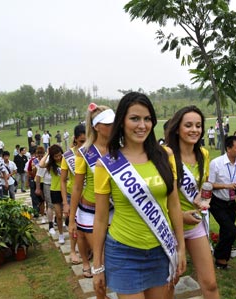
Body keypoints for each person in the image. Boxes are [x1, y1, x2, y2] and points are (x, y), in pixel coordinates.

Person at [92, 92, 186, 298]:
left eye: (147, 119)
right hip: (124, 252)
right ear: (122, 122)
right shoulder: (106, 165)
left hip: (161, 250)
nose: (142, 125)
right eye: (134, 118)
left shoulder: (166, 156)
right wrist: (97, 266)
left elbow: (174, 205)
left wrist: (181, 248)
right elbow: (99, 219)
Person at [166, 106, 219, 298]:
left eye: (198, 125)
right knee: (171, 282)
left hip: (195, 225)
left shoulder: (203, 154)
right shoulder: (165, 155)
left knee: (210, 283)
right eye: (188, 125)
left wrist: (202, 199)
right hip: (169, 227)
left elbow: (203, 186)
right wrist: (180, 216)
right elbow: (159, 197)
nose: (194, 130)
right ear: (177, 128)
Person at [68, 103, 115, 282]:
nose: (113, 126)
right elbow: (77, 187)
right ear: (97, 127)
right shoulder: (84, 153)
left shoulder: (119, 149)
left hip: (113, 210)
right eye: (108, 123)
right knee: (100, 256)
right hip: (89, 211)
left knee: (111, 256)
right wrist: (72, 218)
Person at [208, 135, 236, 269]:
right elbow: (210, 184)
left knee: (226, 231)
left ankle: (221, 261)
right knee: (231, 230)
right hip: (217, 202)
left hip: (231, 203)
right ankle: (219, 256)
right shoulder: (216, 163)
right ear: (228, 148)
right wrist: (226, 186)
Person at [61, 124, 86, 266]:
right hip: (72, 195)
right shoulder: (68, 156)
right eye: (82, 141)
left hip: (89, 195)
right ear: (75, 139)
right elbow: (63, 181)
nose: (84, 144)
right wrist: (65, 202)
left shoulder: (92, 153)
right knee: (73, 223)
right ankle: (72, 250)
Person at [40, 144, 65, 244]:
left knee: (68, 214)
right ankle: (61, 234)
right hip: (55, 190)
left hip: (67, 190)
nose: (58, 158)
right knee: (59, 215)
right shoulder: (51, 165)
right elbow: (41, 164)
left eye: (59, 155)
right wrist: (47, 153)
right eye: (55, 156)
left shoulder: (65, 161)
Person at [27, 146, 45, 217]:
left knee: (45, 199)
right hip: (36, 181)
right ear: (36, 154)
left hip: (45, 181)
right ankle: (41, 212)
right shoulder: (33, 161)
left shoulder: (46, 160)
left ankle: (43, 212)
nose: (40, 157)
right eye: (38, 155)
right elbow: (31, 171)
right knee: (40, 200)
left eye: (42, 155)